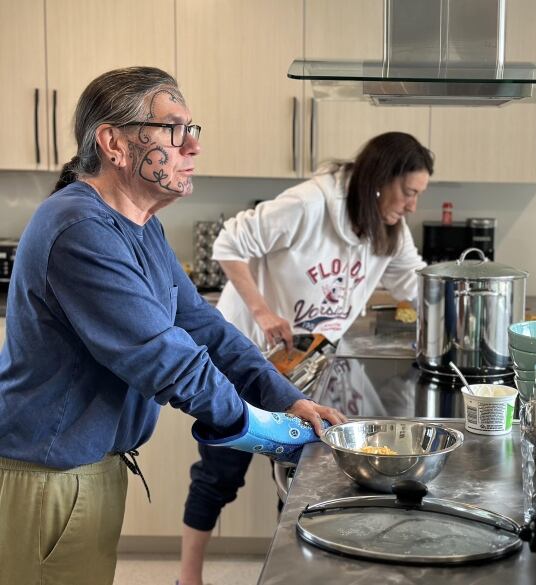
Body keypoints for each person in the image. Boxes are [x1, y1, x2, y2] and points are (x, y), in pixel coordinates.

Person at [0, 67, 345, 585]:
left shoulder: (141, 225)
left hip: (85, 470)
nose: (192, 146)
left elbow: (204, 327)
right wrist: (262, 431)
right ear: (114, 143)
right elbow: (165, 358)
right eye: (173, 129)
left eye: (193, 130)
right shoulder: (80, 230)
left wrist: (284, 398)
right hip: (48, 477)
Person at [178, 131, 433, 585]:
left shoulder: (388, 227)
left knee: (302, 482)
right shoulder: (309, 203)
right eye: (409, 192)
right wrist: (260, 309)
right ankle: (189, 578)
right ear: (380, 179)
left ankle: (294, 576)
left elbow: (418, 286)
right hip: (244, 362)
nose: (413, 205)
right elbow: (229, 243)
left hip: (310, 370)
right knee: (219, 477)